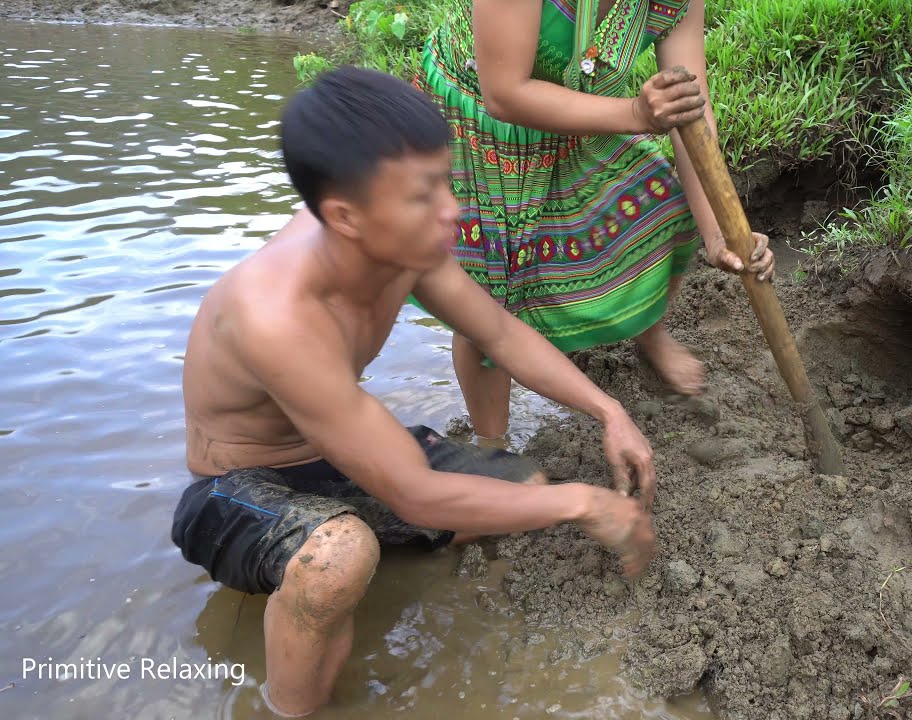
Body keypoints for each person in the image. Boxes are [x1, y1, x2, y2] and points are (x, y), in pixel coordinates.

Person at [170, 65, 659, 718]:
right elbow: (414, 491)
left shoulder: (404, 242)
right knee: (338, 559)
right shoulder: (276, 314)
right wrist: (587, 504)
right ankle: (288, 708)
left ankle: (367, 565)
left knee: (525, 491)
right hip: (237, 487)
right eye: (423, 195)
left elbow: (501, 334)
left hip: (337, 457)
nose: (452, 210)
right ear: (345, 216)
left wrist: (609, 410)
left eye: (446, 183)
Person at [415, 0, 777, 444]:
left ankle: (650, 331)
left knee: (660, 203)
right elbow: (504, 94)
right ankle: (493, 444)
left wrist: (719, 234)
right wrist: (635, 116)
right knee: (486, 293)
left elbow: (692, 114)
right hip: (479, 121)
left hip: (576, 114)